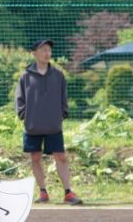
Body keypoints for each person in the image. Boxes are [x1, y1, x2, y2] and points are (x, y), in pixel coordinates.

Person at [15, 38, 83, 205]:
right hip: (33, 126)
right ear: (34, 53)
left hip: (53, 125)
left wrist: (62, 114)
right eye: (43, 50)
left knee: (61, 156)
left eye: (49, 50)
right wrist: (25, 115)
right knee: (35, 157)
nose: (47, 53)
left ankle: (68, 192)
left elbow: (63, 98)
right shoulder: (25, 76)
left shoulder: (58, 75)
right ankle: (43, 192)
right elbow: (19, 99)